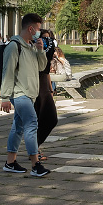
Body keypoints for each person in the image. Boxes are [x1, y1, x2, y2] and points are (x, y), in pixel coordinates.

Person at [1, 13, 51, 177]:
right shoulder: (14, 46)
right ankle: (36, 164)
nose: (39, 32)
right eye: (37, 29)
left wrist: (40, 50)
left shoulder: (30, 46)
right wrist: (5, 97)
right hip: (19, 94)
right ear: (30, 28)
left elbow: (41, 67)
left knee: (18, 127)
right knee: (31, 125)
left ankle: (10, 162)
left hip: (30, 94)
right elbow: (7, 72)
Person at [34, 29, 58, 161]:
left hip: (44, 85)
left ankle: (35, 146)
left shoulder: (47, 50)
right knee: (35, 120)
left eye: (48, 38)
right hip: (35, 86)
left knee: (51, 119)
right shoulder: (34, 49)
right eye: (44, 38)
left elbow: (47, 70)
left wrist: (50, 88)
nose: (46, 41)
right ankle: (34, 150)